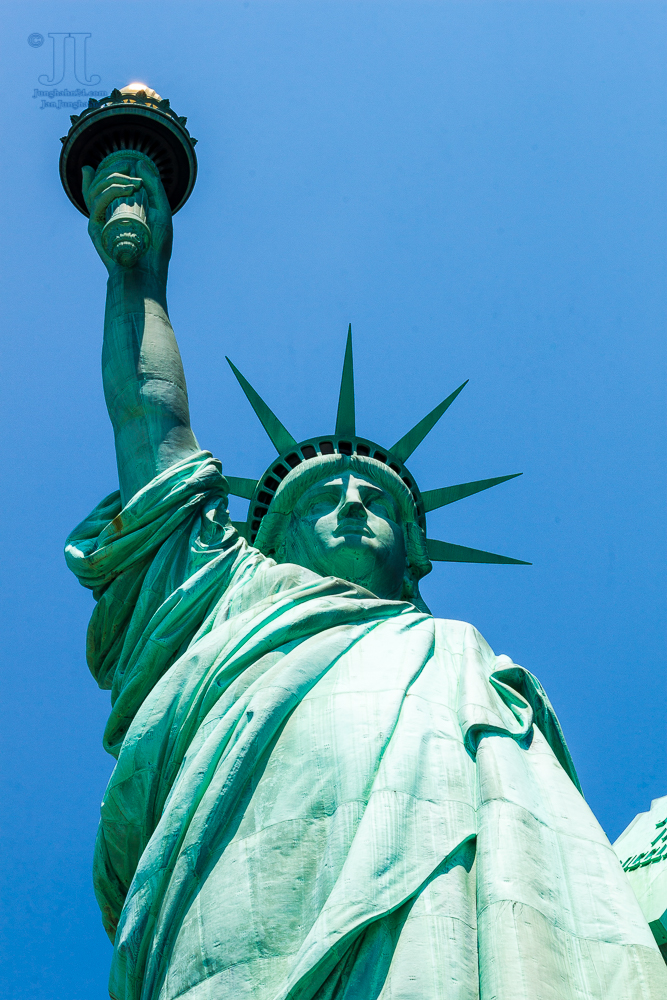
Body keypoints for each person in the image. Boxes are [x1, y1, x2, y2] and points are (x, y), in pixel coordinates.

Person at [66, 157, 667, 1000]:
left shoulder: (459, 656)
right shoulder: (223, 602)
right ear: (263, 537)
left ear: (418, 552)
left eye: (375, 495)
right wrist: (139, 272)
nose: (350, 499)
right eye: (319, 495)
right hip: (247, 900)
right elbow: (148, 422)